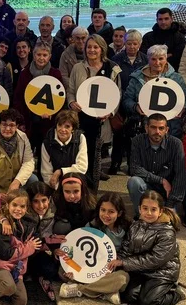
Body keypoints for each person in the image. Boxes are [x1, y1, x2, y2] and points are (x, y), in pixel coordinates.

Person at [117, 190, 186, 305]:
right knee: (128, 296)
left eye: (153, 209)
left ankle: (178, 292)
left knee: (150, 302)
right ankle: (146, 289)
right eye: (145, 208)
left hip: (161, 272)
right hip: (140, 270)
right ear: (139, 209)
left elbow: (155, 260)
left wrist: (124, 263)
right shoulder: (135, 225)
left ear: (160, 211)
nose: (148, 213)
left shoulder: (167, 232)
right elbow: (126, 248)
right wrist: (118, 260)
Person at [67, 34, 120, 190]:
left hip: (101, 121)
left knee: (95, 159)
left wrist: (110, 112)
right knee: (80, 156)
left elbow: (117, 94)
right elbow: (71, 91)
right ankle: (79, 190)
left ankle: (92, 191)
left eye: (95, 47)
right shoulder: (78, 68)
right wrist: (71, 102)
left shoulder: (112, 68)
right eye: (89, 47)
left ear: (102, 49)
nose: (92, 50)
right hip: (80, 120)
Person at [58, 192, 130, 304]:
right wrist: (72, 268)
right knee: (62, 271)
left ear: (119, 213)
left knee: (122, 278)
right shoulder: (92, 226)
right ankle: (104, 291)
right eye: (103, 210)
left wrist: (116, 264)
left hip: (112, 269)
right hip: (90, 268)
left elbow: (128, 253)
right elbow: (78, 251)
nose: (106, 215)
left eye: (111, 212)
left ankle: (79, 289)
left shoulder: (127, 228)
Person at [122, 44, 186, 139]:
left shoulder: (176, 78)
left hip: (172, 129)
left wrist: (183, 108)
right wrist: (135, 107)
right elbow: (127, 99)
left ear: (166, 59)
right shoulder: (137, 78)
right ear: (148, 59)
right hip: (144, 128)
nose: (157, 62)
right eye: (153, 59)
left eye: (161, 59)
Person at [127, 114, 186, 214]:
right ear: (146, 128)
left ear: (166, 130)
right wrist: (161, 180)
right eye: (153, 127)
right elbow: (134, 168)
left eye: (161, 128)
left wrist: (170, 204)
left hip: (167, 192)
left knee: (170, 220)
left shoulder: (176, 144)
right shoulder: (137, 141)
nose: (157, 132)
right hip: (146, 187)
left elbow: (180, 175)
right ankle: (141, 216)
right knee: (134, 182)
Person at [109, 29, 147, 174]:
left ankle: (133, 164)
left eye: (135, 44)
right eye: (129, 43)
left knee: (135, 136)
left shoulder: (145, 60)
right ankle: (115, 162)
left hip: (138, 103)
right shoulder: (116, 60)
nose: (131, 46)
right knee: (119, 134)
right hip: (119, 101)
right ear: (125, 43)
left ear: (140, 44)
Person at [13, 43, 63, 153]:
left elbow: (60, 99)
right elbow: (18, 99)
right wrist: (21, 121)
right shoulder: (25, 73)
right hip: (28, 121)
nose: (41, 58)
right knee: (26, 153)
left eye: (45, 55)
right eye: (38, 54)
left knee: (45, 154)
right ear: (33, 55)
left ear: (50, 56)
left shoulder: (55, 73)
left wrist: (52, 114)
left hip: (48, 122)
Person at [0, 108, 36, 194]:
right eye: (4, 125)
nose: (8, 129)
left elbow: (28, 162)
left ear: (17, 126)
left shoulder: (23, 138)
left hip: (16, 184)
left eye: (12, 125)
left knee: (33, 179)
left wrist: (17, 182)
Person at [23, 183, 61, 300]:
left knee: (51, 270)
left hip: (40, 251)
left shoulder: (54, 211)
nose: (41, 206)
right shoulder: (23, 212)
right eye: (35, 201)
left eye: (44, 200)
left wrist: (54, 249)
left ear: (49, 199)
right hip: (23, 252)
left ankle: (38, 276)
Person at [40, 109, 88, 189]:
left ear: (73, 129)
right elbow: (46, 173)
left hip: (75, 182)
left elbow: (82, 167)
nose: (62, 129)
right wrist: (59, 189)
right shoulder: (47, 142)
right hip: (54, 185)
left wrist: (60, 171)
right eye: (60, 125)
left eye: (67, 126)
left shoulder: (80, 138)